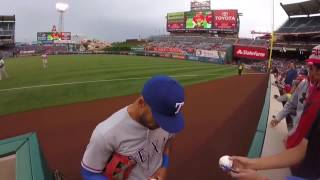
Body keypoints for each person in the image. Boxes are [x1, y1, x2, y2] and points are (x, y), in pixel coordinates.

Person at [229, 45, 320, 180]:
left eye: (312, 69)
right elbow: (303, 150)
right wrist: (251, 163)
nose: (309, 73)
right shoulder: (313, 90)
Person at [81, 75, 185, 180]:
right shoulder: (106, 133)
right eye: (159, 118)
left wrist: (163, 167)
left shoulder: (167, 121)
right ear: (141, 103)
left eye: (167, 120)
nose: (163, 125)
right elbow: (90, 173)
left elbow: (169, 140)